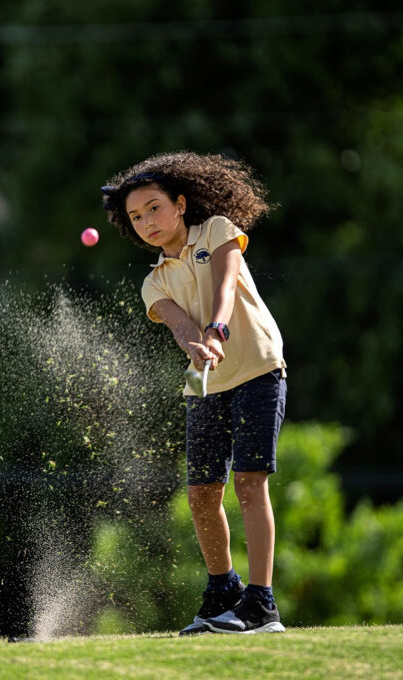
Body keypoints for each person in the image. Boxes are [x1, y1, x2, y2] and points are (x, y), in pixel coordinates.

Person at [101, 151, 287, 635]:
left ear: (181, 204)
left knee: (249, 483)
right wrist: (197, 342)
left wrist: (217, 331)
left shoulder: (218, 230)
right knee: (201, 494)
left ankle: (262, 605)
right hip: (203, 380)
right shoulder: (153, 281)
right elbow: (181, 326)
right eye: (135, 217)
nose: (146, 222)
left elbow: (226, 286)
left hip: (257, 366)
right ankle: (223, 591)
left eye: (154, 208)